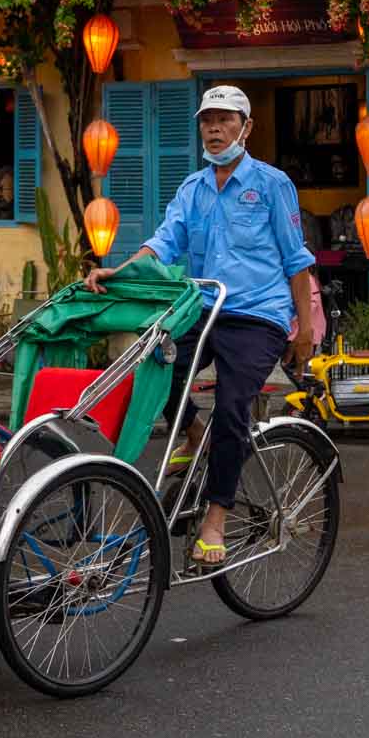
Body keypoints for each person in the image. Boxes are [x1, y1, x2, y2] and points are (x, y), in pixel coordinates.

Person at [85, 85, 320, 567]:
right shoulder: (192, 188)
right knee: (155, 368)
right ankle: (193, 432)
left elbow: (296, 260)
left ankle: (215, 518)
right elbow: (164, 243)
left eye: (225, 120)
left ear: (246, 128)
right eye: (207, 120)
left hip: (258, 314)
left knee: (233, 407)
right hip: (204, 308)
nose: (214, 129)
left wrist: (303, 330)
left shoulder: (272, 184)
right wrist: (121, 271)